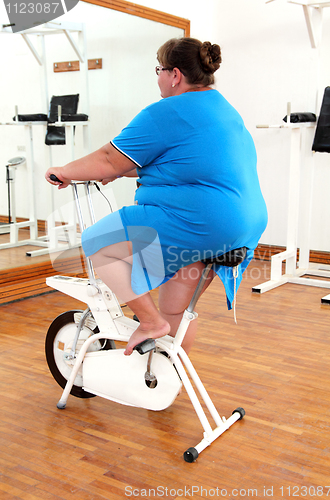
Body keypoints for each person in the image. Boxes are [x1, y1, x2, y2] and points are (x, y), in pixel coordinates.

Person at [45, 37, 268, 356]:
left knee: (97, 240)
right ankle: (166, 380)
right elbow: (182, 162)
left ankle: (149, 322)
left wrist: (66, 170)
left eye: (159, 71)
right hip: (241, 225)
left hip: (199, 220)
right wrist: (120, 170)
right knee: (175, 309)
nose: (159, 78)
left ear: (175, 75)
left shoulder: (168, 111)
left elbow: (109, 157)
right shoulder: (221, 108)